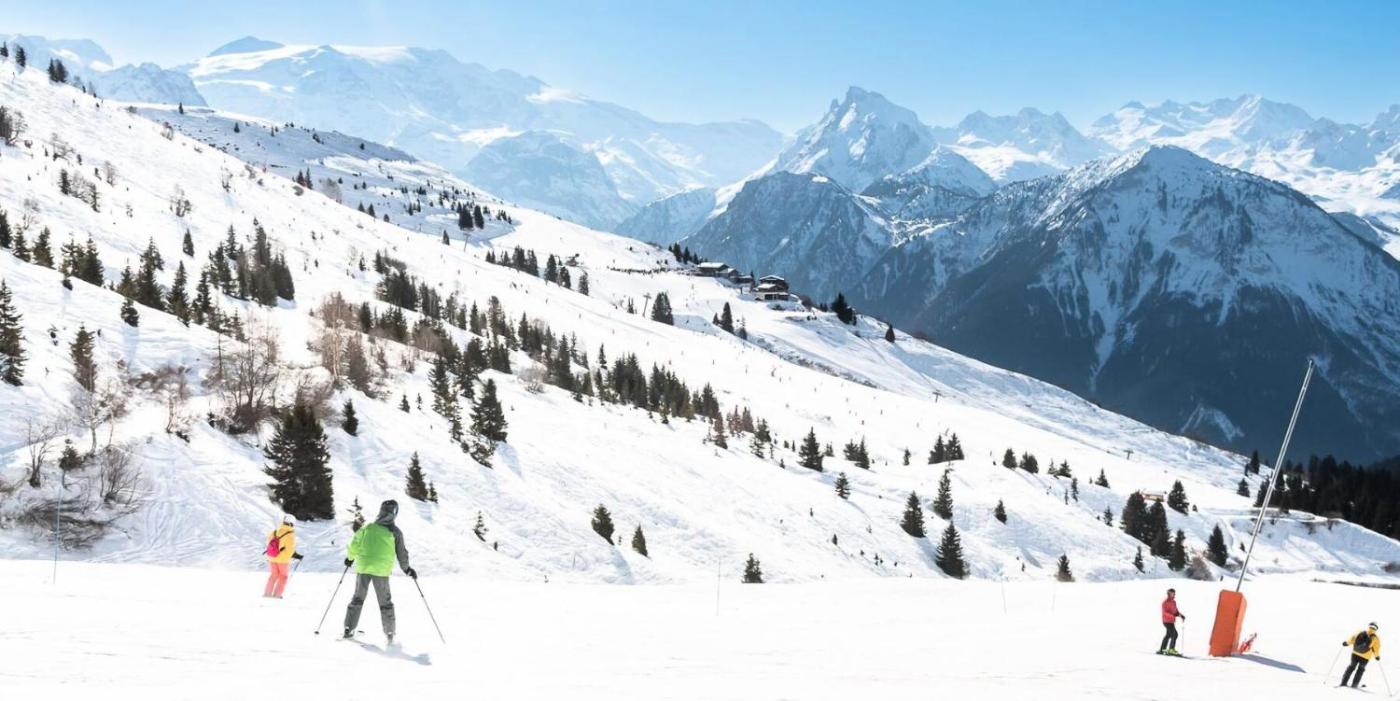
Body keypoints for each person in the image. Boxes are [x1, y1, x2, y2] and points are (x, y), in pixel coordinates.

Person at [343, 499, 416, 643]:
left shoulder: (368, 526)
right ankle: (390, 632)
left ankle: (348, 628)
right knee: (385, 602)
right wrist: (407, 569)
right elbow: (401, 553)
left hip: (364, 567)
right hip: (381, 571)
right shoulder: (395, 532)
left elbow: (355, 542)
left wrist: (350, 558)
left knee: (357, 598)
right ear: (394, 513)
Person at [262, 515, 303, 598]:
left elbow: (269, 542)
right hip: (282, 560)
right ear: (292, 523)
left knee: (273, 575)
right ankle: (277, 595)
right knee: (283, 576)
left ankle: (267, 593)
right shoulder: (290, 535)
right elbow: (290, 550)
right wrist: (296, 555)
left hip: (272, 557)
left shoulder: (275, 531)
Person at [1340, 623, 1381, 688]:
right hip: (1365, 657)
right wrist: (1377, 656)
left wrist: (1347, 643)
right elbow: (1376, 648)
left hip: (1355, 653)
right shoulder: (1375, 638)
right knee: (1360, 670)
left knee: (1351, 667)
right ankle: (1354, 685)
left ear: (1369, 626)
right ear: (1376, 629)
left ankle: (1343, 682)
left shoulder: (1360, 632)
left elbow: (1352, 639)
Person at [1158, 588, 1186, 655]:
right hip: (1166, 621)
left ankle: (1162, 649)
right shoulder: (1165, 602)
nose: (1174, 594)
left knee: (1168, 635)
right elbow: (1164, 613)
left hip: (1171, 621)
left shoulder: (1173, 602)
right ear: (1168, 594)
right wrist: (1172, 616)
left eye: (1174, 593)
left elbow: (1175, 612)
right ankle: (1171, 649)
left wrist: (1181, 615)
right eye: (1172, 593)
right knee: (1174, 634)